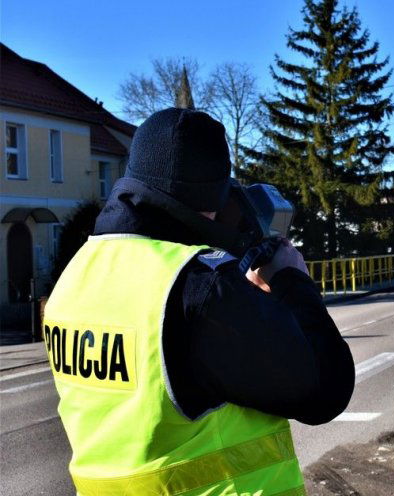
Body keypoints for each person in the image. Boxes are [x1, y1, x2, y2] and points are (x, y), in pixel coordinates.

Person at [42, 108, 354, 495]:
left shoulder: (74, 277)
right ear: (211, 198)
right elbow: (326, 390)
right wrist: (293, 280)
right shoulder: (197, 286)